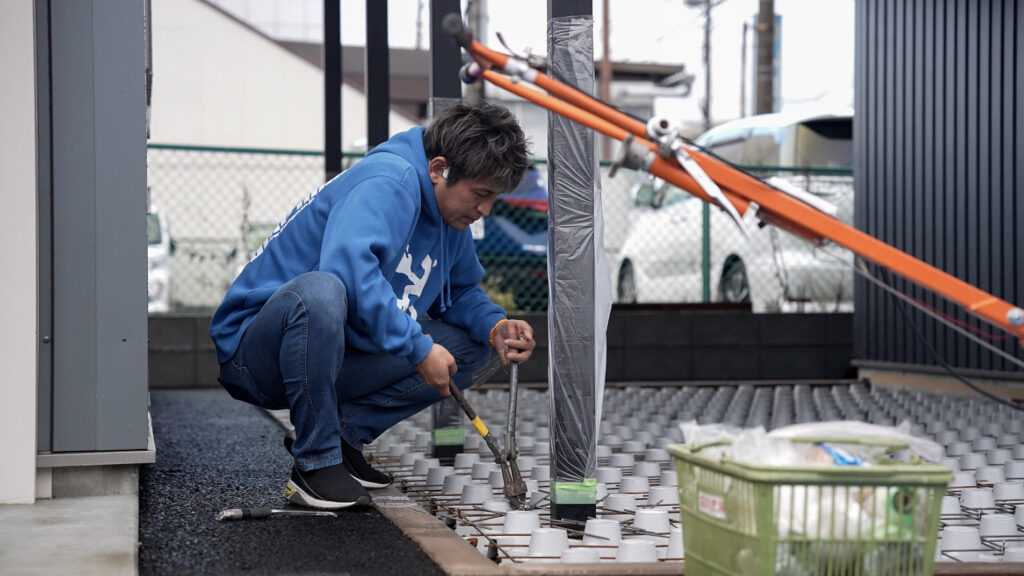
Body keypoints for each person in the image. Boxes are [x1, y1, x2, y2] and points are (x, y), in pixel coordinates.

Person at [210, 103, 537, 509]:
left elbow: (462, 290)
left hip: (335, 348)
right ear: (439, 169)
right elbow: (347, 272)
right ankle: (315, 461)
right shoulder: (389, 180)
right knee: (322, 292)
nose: (486, 209)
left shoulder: (449, 217)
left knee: (473, 345)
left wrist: (495, 325)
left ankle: (341, 437)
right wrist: (418, 348)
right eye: (482, 194)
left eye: (495, 197)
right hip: (258, 353)